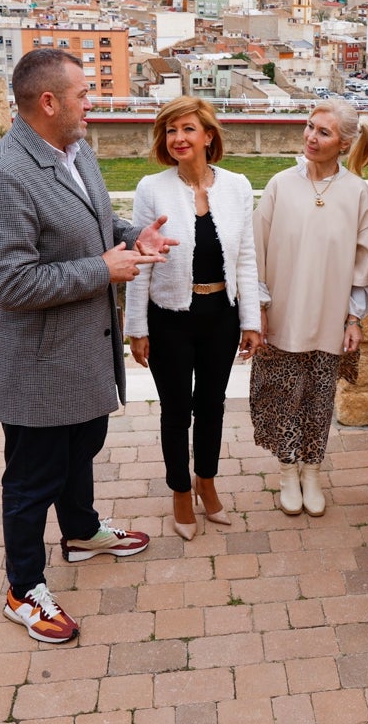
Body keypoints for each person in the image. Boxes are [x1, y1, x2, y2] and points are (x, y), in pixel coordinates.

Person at [0, 48, 176, 644]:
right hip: (38, 364)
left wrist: (136, 238)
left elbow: (99, 225)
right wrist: (104, 270)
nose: (93, 103)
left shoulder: (76, 151)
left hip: (81, 351)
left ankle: (81, 530)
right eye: (83, 94)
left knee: (83, 442)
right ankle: (22, 587)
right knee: (33, 476)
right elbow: (14, 284)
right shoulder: (0, 177)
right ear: (49, 102)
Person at [124, 96, 262, 541]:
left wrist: (251, 320)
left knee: (212, 406)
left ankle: (207, 480)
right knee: (175, 411)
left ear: (208, 135)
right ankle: (180, 491)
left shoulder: (238, 186)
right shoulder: (152, 189)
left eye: (187, 129)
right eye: (170, 131)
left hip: (220, 316)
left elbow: (245, 258)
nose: (178, 138)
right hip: (170, 320)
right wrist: (137, 328)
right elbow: (142, 258)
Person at [251, 100, 368, 516]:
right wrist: (260, 306)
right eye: (309, 127)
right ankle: (288, 470)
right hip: (283, 312)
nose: (311, 136)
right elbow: (256, 252)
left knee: (320, 397)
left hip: (330, 316)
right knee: (284, 394)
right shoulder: (279, 185)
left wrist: (355, 317)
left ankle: (312, 469)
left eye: (323, 132)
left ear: (343, 144)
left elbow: (365, 261)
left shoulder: (357, 192)